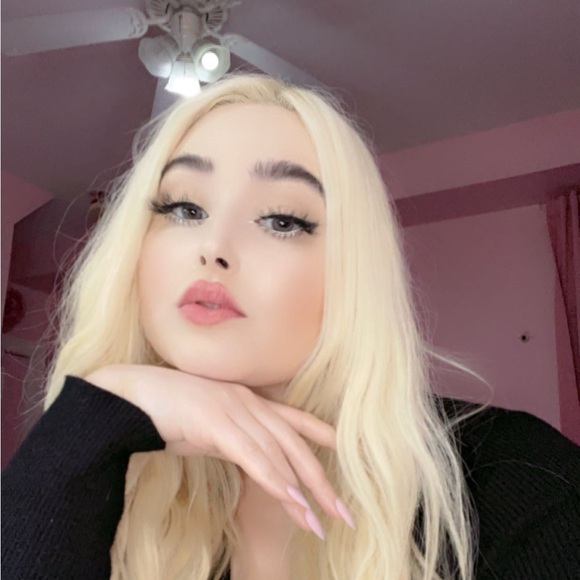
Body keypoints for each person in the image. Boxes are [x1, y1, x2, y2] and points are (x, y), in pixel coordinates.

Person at [2, 74, 579, 580]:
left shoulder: (515, 481)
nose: (213, 247)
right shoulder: (115, 483)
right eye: (183, 208)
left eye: (282, 220)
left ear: (352, 273)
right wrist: (95, 413)